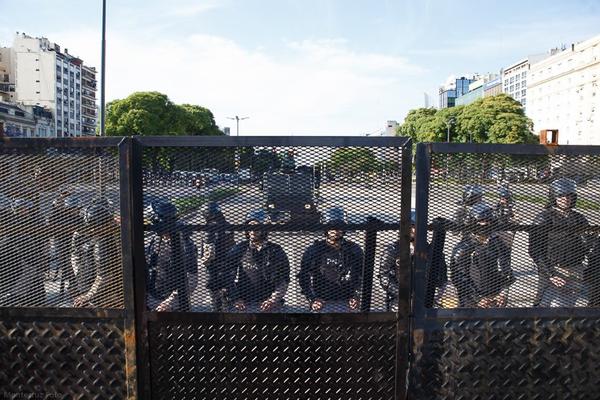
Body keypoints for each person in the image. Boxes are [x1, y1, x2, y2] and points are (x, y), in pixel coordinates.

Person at [528, 178, 593, 307]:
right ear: (554, 197)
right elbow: (535, 250)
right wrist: (550, 273)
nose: (566, 199)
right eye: (561, 195)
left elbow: (589, 244)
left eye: (569, 195)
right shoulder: (544, 218)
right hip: (554, 268)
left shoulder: (579, 218)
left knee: (567, 306)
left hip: (575, 268)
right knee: (545, 305)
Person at [298, 207, 364, 312]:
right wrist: (313, 299)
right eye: (332, 227)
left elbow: (363, 275)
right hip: (322, 300)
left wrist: (357, 295)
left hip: (347, 299)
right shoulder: (315, 250)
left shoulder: (354, 250)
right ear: (326, 229)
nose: (336, 231)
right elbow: (304, 276)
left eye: (339, 227)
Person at [450, 202, 514, 308]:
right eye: (481, 221)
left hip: (495, 296)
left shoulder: (497, 243)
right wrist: (478, 299)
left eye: (488, 221)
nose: (485, 224)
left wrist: (503, 293)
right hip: (471, 300)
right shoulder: (464, 247)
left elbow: (506, 269)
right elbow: (458, 276)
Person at [226, 209, 290, 312]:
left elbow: (283, 280)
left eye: (256, 227)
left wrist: (272, 300)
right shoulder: (240, 248)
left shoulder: (275, 251)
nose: (253, 231)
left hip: (268, 301)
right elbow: (228, 275)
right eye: (250, 227)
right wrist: (236, 299)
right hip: (244, 300)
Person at [145, 200, 198, 311]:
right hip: (153, 296)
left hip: (174, 304)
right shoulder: (156, 239)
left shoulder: (185, 244)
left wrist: (170, 301)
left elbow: (191, 279)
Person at [70, 201, 122, 308]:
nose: (92, 230)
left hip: (106, 292)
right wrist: (79, 275)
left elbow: (105, 274)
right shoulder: (83, 235)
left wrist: (89, 295)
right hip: (88, 285)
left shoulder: (107, 240)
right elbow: (75, 256)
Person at [0, 198, 47, 307]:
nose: (23, 210)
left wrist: (43, 255)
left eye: (24, 208)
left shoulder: (35, 220)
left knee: (34, 281)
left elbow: (43, 239)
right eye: (20, 208)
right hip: (15, 258)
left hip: (31, 257)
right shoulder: (11, 221)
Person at [200, 202, 235, 311]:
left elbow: (209, 250)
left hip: (214, 264)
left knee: (213, 287)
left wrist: (204, 262)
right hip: (228, 261)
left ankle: (217, 309)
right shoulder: (227, 224)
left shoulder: (210, 227)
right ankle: (227, 306)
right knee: (227, 285)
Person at [494, 185, 517, 249]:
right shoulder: (498, 205)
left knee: (506, 247)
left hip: (508, 227)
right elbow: (495, 214)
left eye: (503, 198)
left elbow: (517, 218)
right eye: (501, 198)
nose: (501, 200)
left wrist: (512, 218)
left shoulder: (511, 206)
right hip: (499, 227)